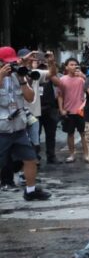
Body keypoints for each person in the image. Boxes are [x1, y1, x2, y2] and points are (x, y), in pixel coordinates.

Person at [0, 47, 51, 201]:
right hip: (2, 130)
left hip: (19, 128)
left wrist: (22, 80)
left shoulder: (18, 75)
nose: (10, 66)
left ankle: (30, 191)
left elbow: (30, 97)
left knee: (30, 159)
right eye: (6, 63)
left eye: (12, 62)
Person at [57, 58, 89, 163]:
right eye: (71, 64)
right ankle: (71, 154)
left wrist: (83, 76)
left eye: (75, 64)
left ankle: (86, 154)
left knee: (84, 133)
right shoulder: (62, 79)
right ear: (66, 67)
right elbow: (60, 96)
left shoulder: (81, 79)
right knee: (70, 134)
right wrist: (61, 109)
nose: (74, 66)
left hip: (81, 110)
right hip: (68, 111)